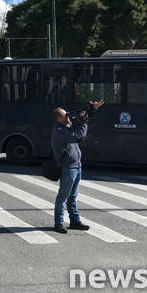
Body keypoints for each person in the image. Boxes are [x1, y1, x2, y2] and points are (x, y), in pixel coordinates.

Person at [51, 100, 104, 234]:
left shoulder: (66, 128)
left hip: (76, 166)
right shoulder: (59, 131)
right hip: (68, 167)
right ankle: (58, 223)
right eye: (66, 115)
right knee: (63, 197)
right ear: (59, 118)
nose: (69, 117)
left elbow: (79, 120)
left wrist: (91, 110)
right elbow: (79, 136)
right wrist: (84, 121)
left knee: (73, 197)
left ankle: (74, 222)